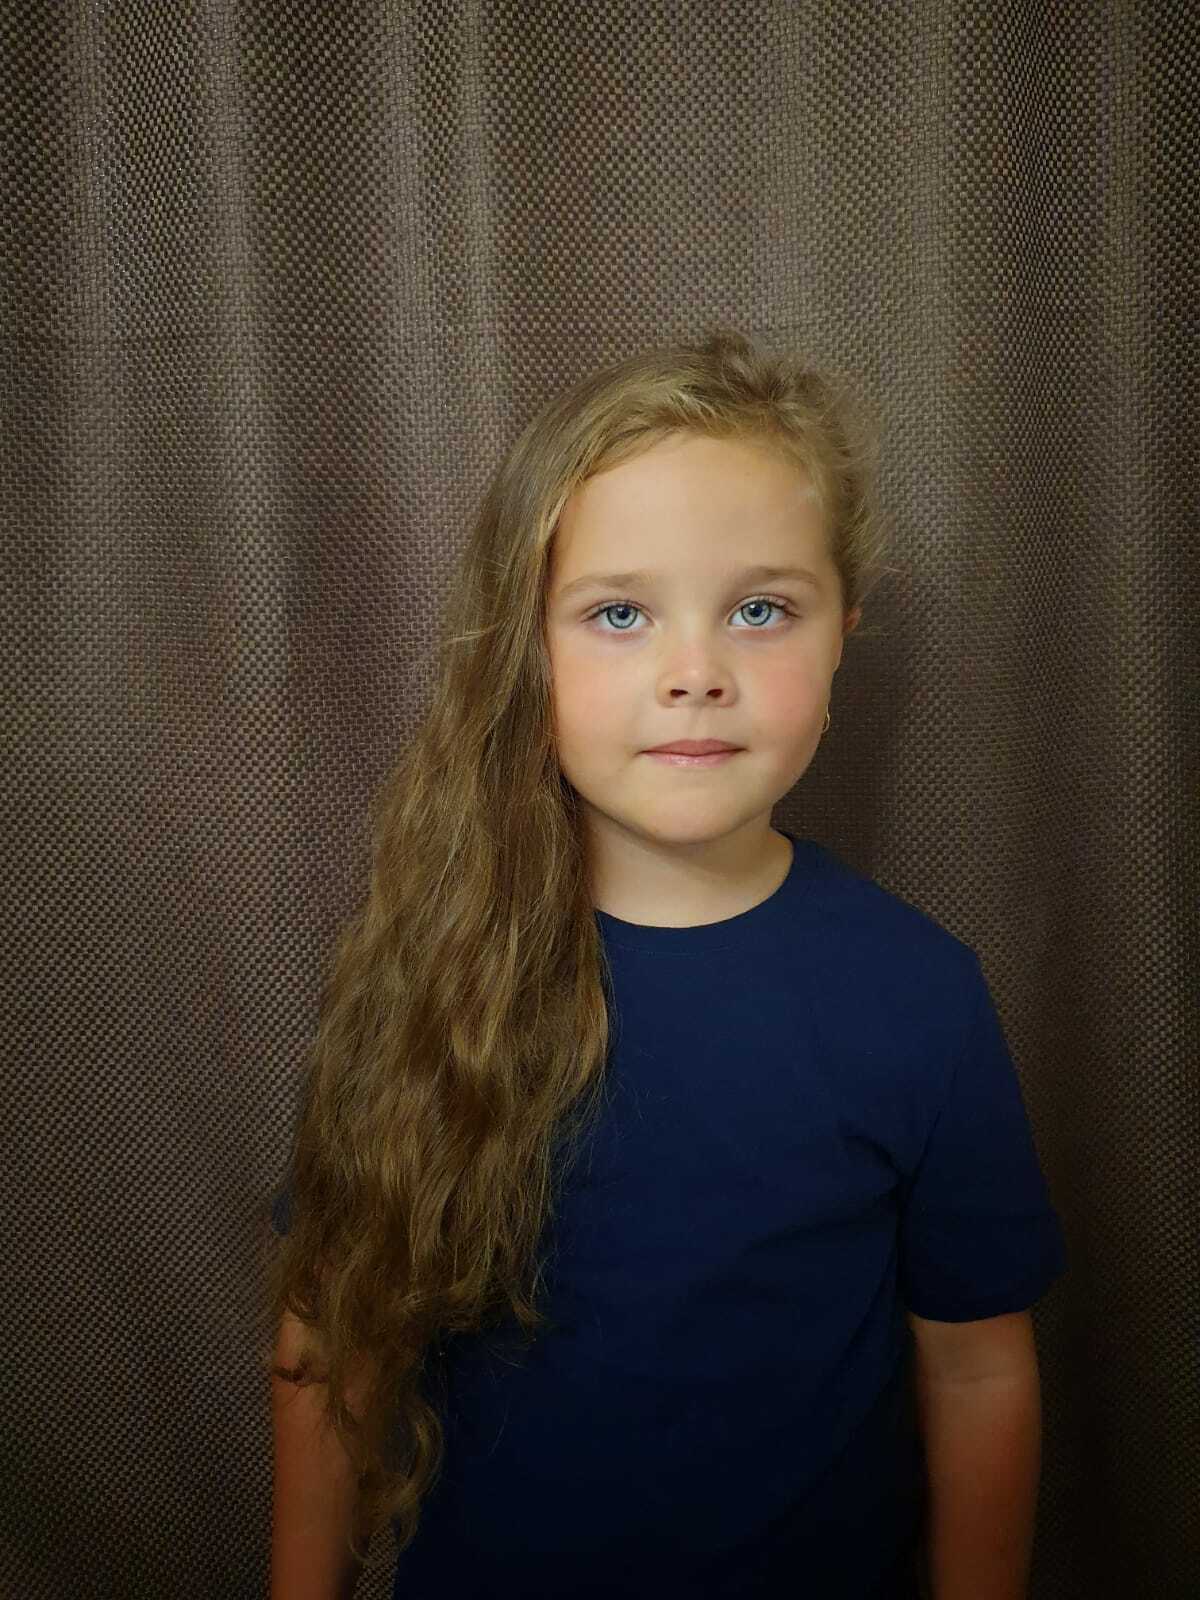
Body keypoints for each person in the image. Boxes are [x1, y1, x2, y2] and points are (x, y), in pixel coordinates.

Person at [263, 328, 1067, 1600]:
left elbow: (975, 1367)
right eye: (620, 613)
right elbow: (331, 1344)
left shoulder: (922, 999)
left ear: (843, 633)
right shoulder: (429, 974)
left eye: (760, 610)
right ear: (529, 644)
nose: (696, 674)